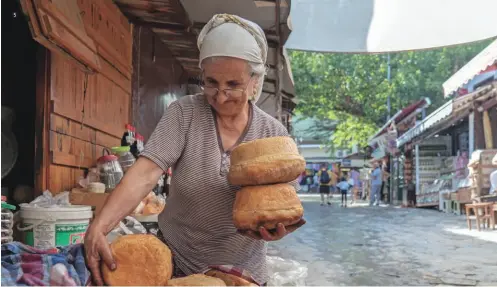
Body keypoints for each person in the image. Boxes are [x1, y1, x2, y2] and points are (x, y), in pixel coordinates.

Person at [83, 14, 305, 286]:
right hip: (176, 267)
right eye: (211, 82)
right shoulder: (185, 113)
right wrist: (100, 225)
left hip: (242, 275)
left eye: (233, 85)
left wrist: (275, 229)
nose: (221, 96)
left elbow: (284, 203)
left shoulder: (273, 135)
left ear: (254, 81)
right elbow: (145, 173)